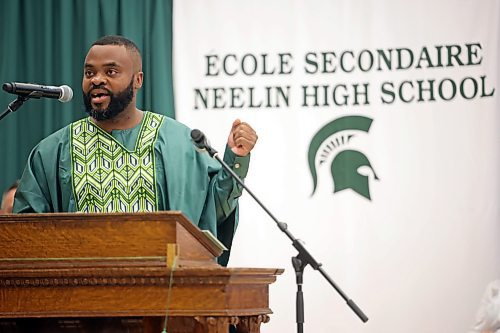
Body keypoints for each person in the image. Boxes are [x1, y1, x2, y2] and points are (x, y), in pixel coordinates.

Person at [13, 35, 258, 266]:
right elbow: (27, 234)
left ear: (138, 80)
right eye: (89, 73)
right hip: (80, 297)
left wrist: (236, 158)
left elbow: (211, 215)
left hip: (163, 295)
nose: (97, 79)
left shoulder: (180, 142)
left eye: (110, 71)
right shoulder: (52, 151)